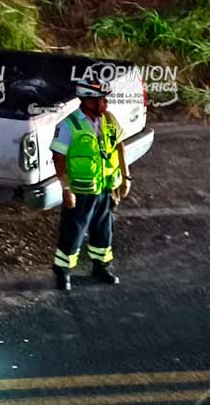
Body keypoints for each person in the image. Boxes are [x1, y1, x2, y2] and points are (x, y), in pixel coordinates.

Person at [50, 81, 129, 291]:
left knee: (104, 229)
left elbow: (120, 147)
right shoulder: (69, 125)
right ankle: (62, 271)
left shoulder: (109, 119)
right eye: (101, 100)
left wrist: (126, 178)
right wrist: (66, 189)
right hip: (80, 190)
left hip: (106, 187)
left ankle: (101, 267)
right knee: (73, 231)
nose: (105, 103)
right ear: (87, 101)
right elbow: (58, 158)